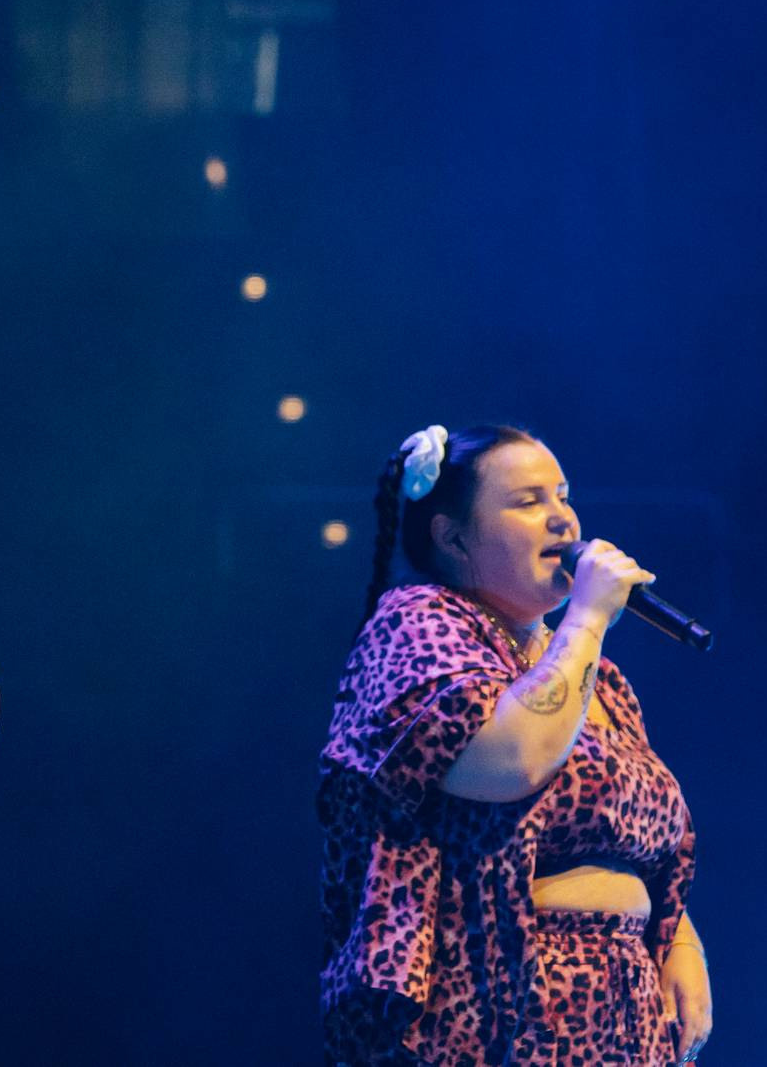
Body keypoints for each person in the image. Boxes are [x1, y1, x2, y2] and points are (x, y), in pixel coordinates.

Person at [319, 425, 714, 1065]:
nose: (563, 519)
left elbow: (632, 839)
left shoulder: (598, 680)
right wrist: (587, 618)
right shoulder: (417, 622)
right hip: (499, 1016)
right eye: (529, 502)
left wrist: (678, 944)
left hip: (627, 1018)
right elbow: (512, 760)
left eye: (563, 496)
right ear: (453, 538)